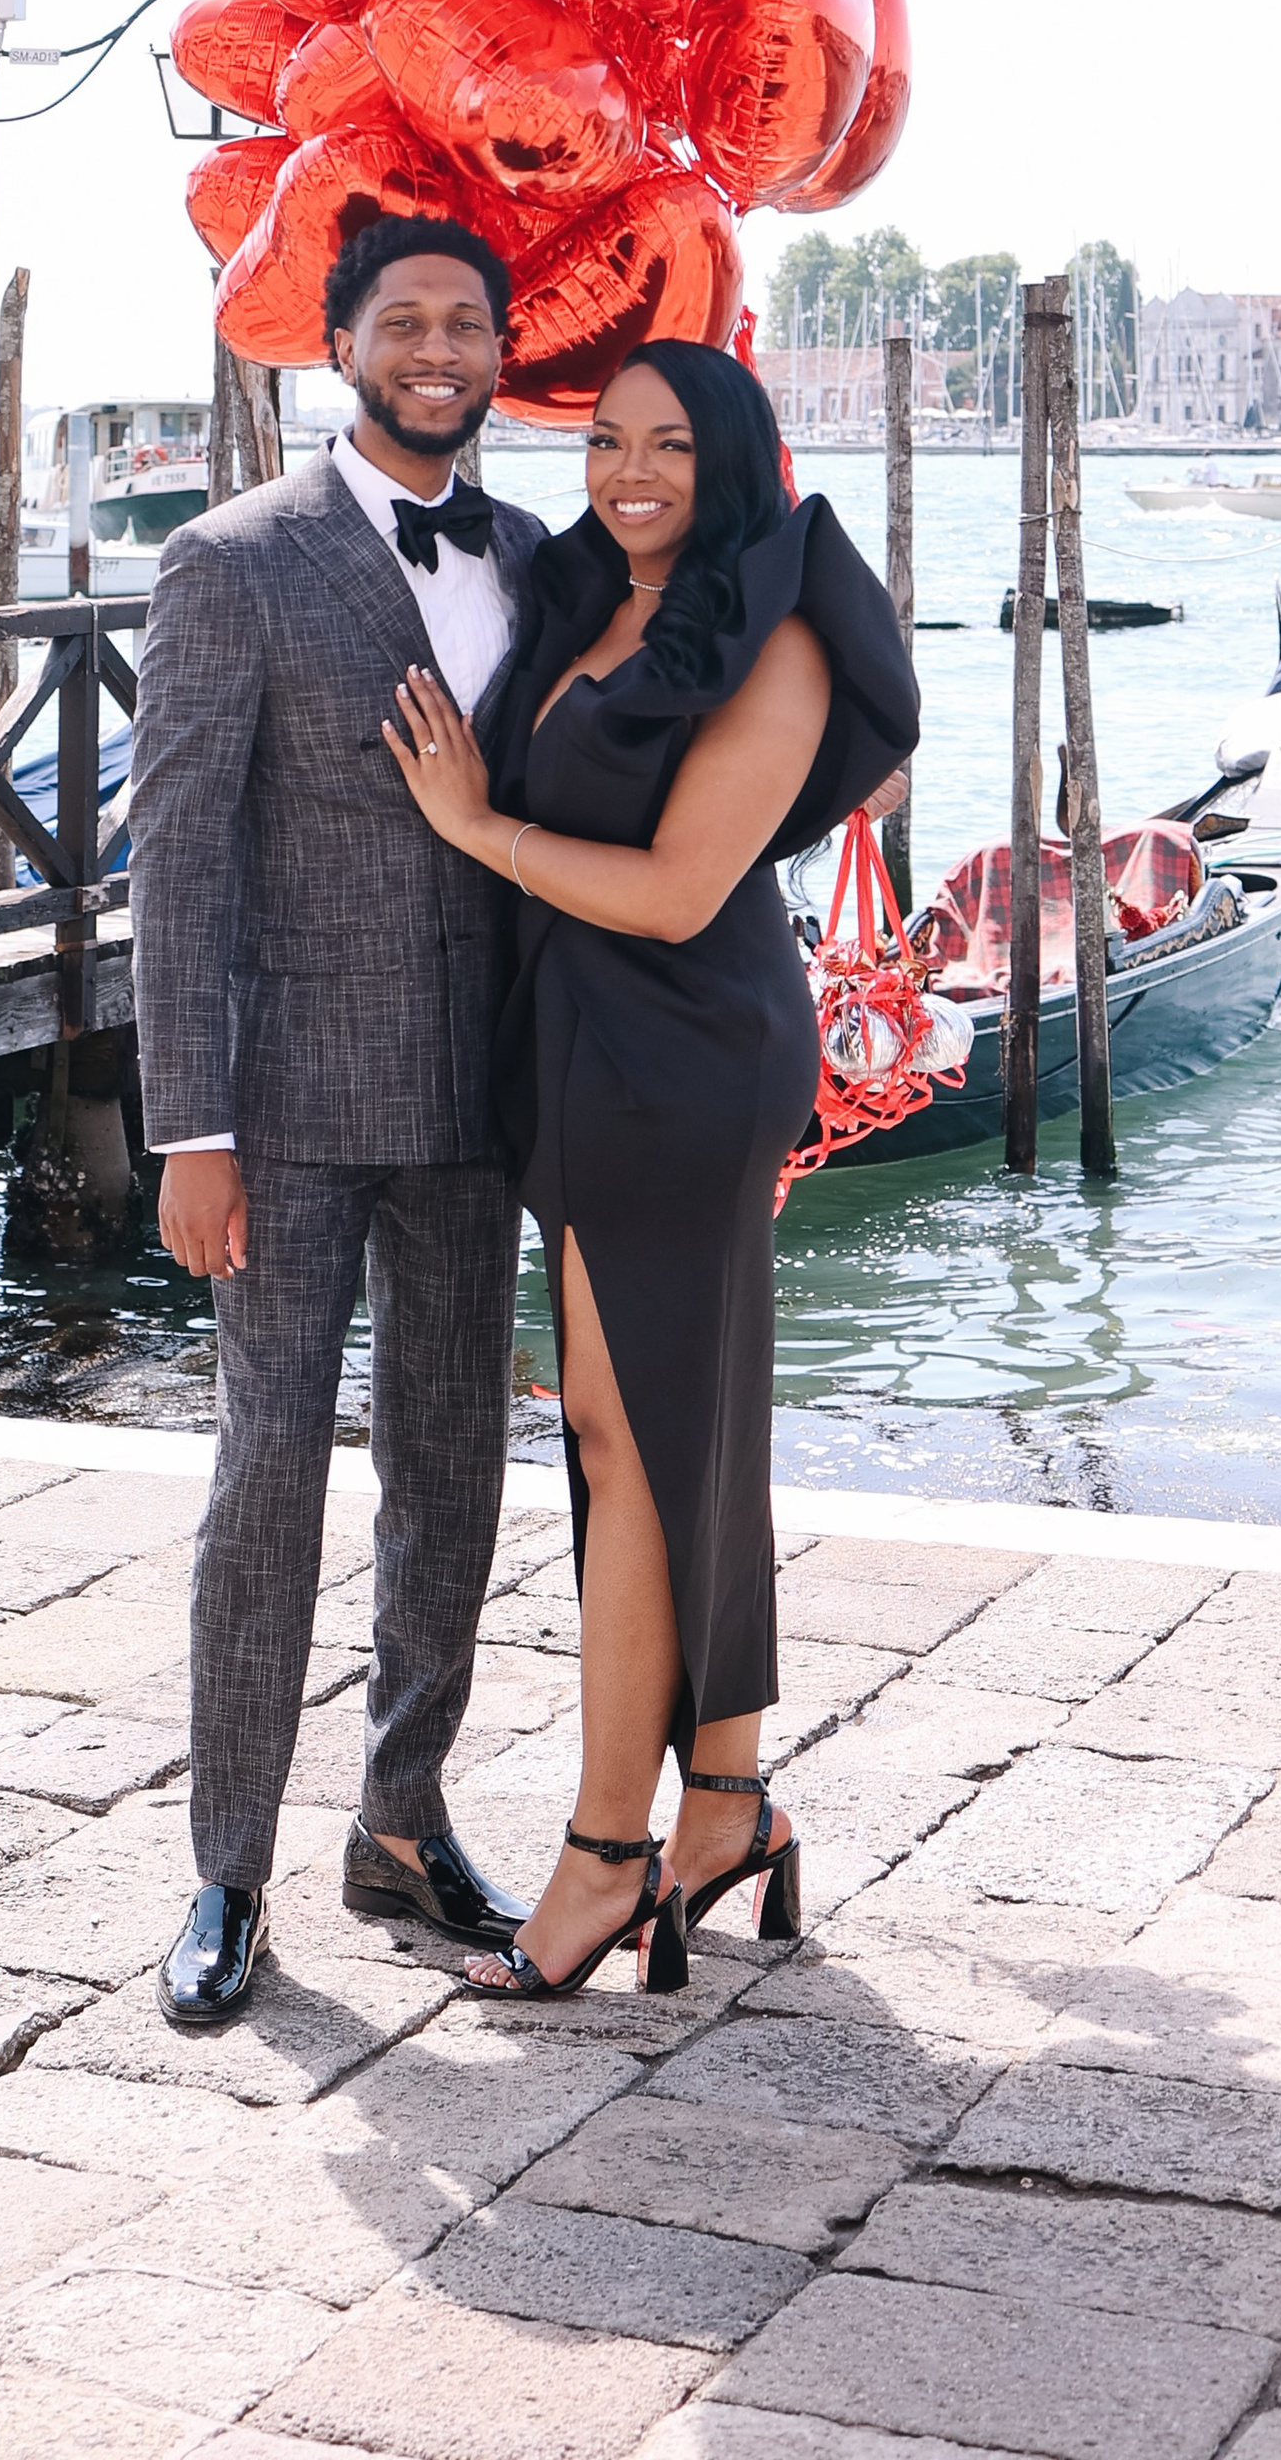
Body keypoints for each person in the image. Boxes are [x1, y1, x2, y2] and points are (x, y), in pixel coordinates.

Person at [381, 338, 917, 1999]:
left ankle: (610, 1852)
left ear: (734, 457)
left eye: (671, 445)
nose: (628, 472)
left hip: (686, 1049)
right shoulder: (587, 599)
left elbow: (685, 889)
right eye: (606, 438)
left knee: (626, 1446)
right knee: (679, 1434)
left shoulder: (783, 635)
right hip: (584, 1046)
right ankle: (730, 1803)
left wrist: (476, 830)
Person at [127, 217, 548, 2029]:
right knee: (266, 1479)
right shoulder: (231, 564)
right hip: (283, 1110)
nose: (436, 348)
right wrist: (184, 1126)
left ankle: (400, 1816)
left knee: (453, 1468)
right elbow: (175, 866)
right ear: (342, 344)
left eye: (466, 323)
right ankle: (227, 1868)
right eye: (406, 322)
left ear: (501, 350)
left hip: (480, 1104)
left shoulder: (543, 558)